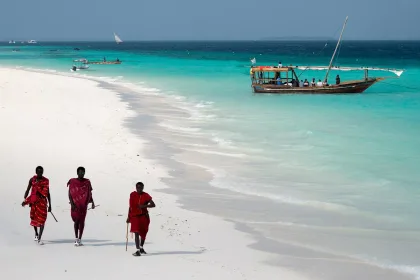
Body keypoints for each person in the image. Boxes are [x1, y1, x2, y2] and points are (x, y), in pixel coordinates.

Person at [22, 166, 51, 245]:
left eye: (42, 172)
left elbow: (47, 193)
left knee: (42, 220)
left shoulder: (46, 181)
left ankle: (39, 238)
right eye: (39, 172)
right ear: (36, 172)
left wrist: (50, 205)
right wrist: (25, 199)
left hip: (43, 203)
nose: (40, 173)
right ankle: (36, 233)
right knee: (34, 218)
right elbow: (28, 189)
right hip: (34, 202)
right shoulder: (32, 180)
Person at [67, 166, 95, 246]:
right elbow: (70, 193)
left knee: (82, 221)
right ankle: (76, 237)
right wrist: (72, 204)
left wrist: (92, 202)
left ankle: (79, 239)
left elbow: (89, 193)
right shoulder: (72, 181)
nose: (82, 174)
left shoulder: (87, 182)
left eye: (83, 172)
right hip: (75, 205)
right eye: (80, 172)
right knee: (76, 221)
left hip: (83, 205)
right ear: (77, 173)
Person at [126, 182, 156, 256]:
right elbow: (130, 207)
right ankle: (137, 250)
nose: (139, 189)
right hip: (135, 217)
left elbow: (153, 204)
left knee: (143, 233)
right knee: (136, 232)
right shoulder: (132, 195)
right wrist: (128, 217)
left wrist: (144, 206)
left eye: (141, 188)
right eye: (138, 187)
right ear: (136, 188)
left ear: (143, 188)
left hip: (144, 217)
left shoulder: (146, 195)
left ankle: (141, 247)